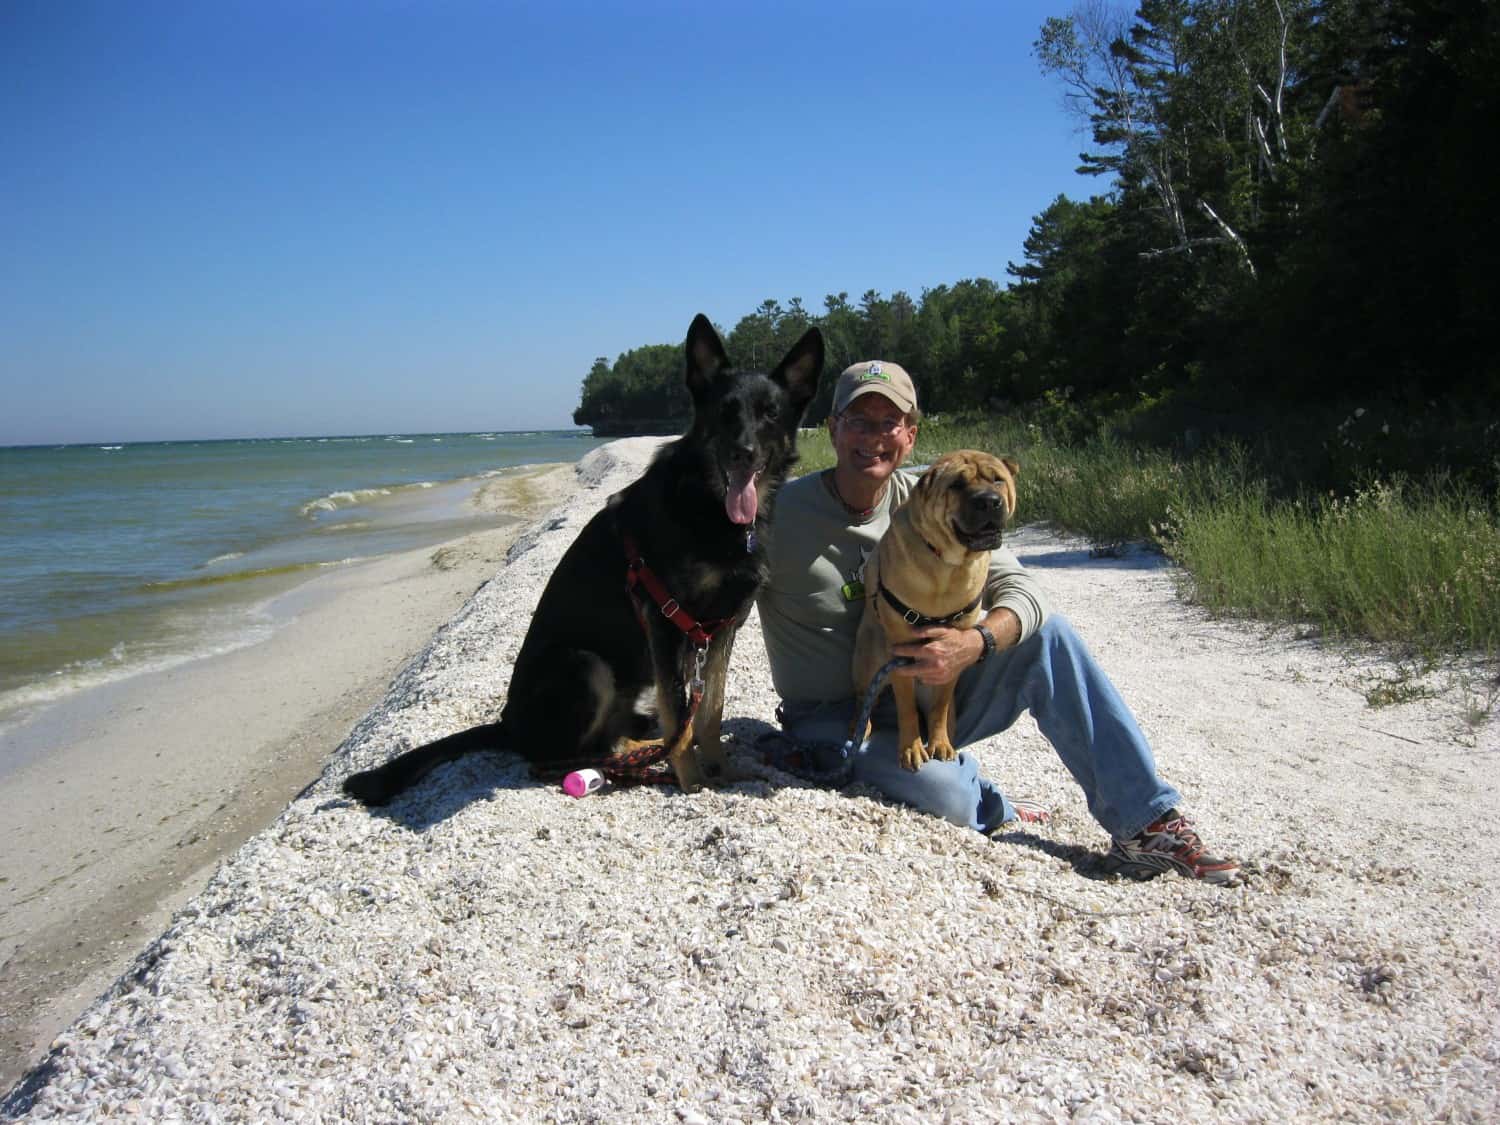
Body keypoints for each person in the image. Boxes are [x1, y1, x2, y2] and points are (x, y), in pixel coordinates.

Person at [756, 360, 1240, 885]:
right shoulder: (778, 512)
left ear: (910, 436)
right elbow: (710, 605)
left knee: (1048, 636)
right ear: (832, 429)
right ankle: (991, 798)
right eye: (859, 421)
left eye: (889, 423)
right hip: (836, 718)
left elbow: (1025, 592)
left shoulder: (941, 497)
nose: (874, 438)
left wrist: (976, 641)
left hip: (934, 687)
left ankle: (1147, 823)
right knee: (952, 801)